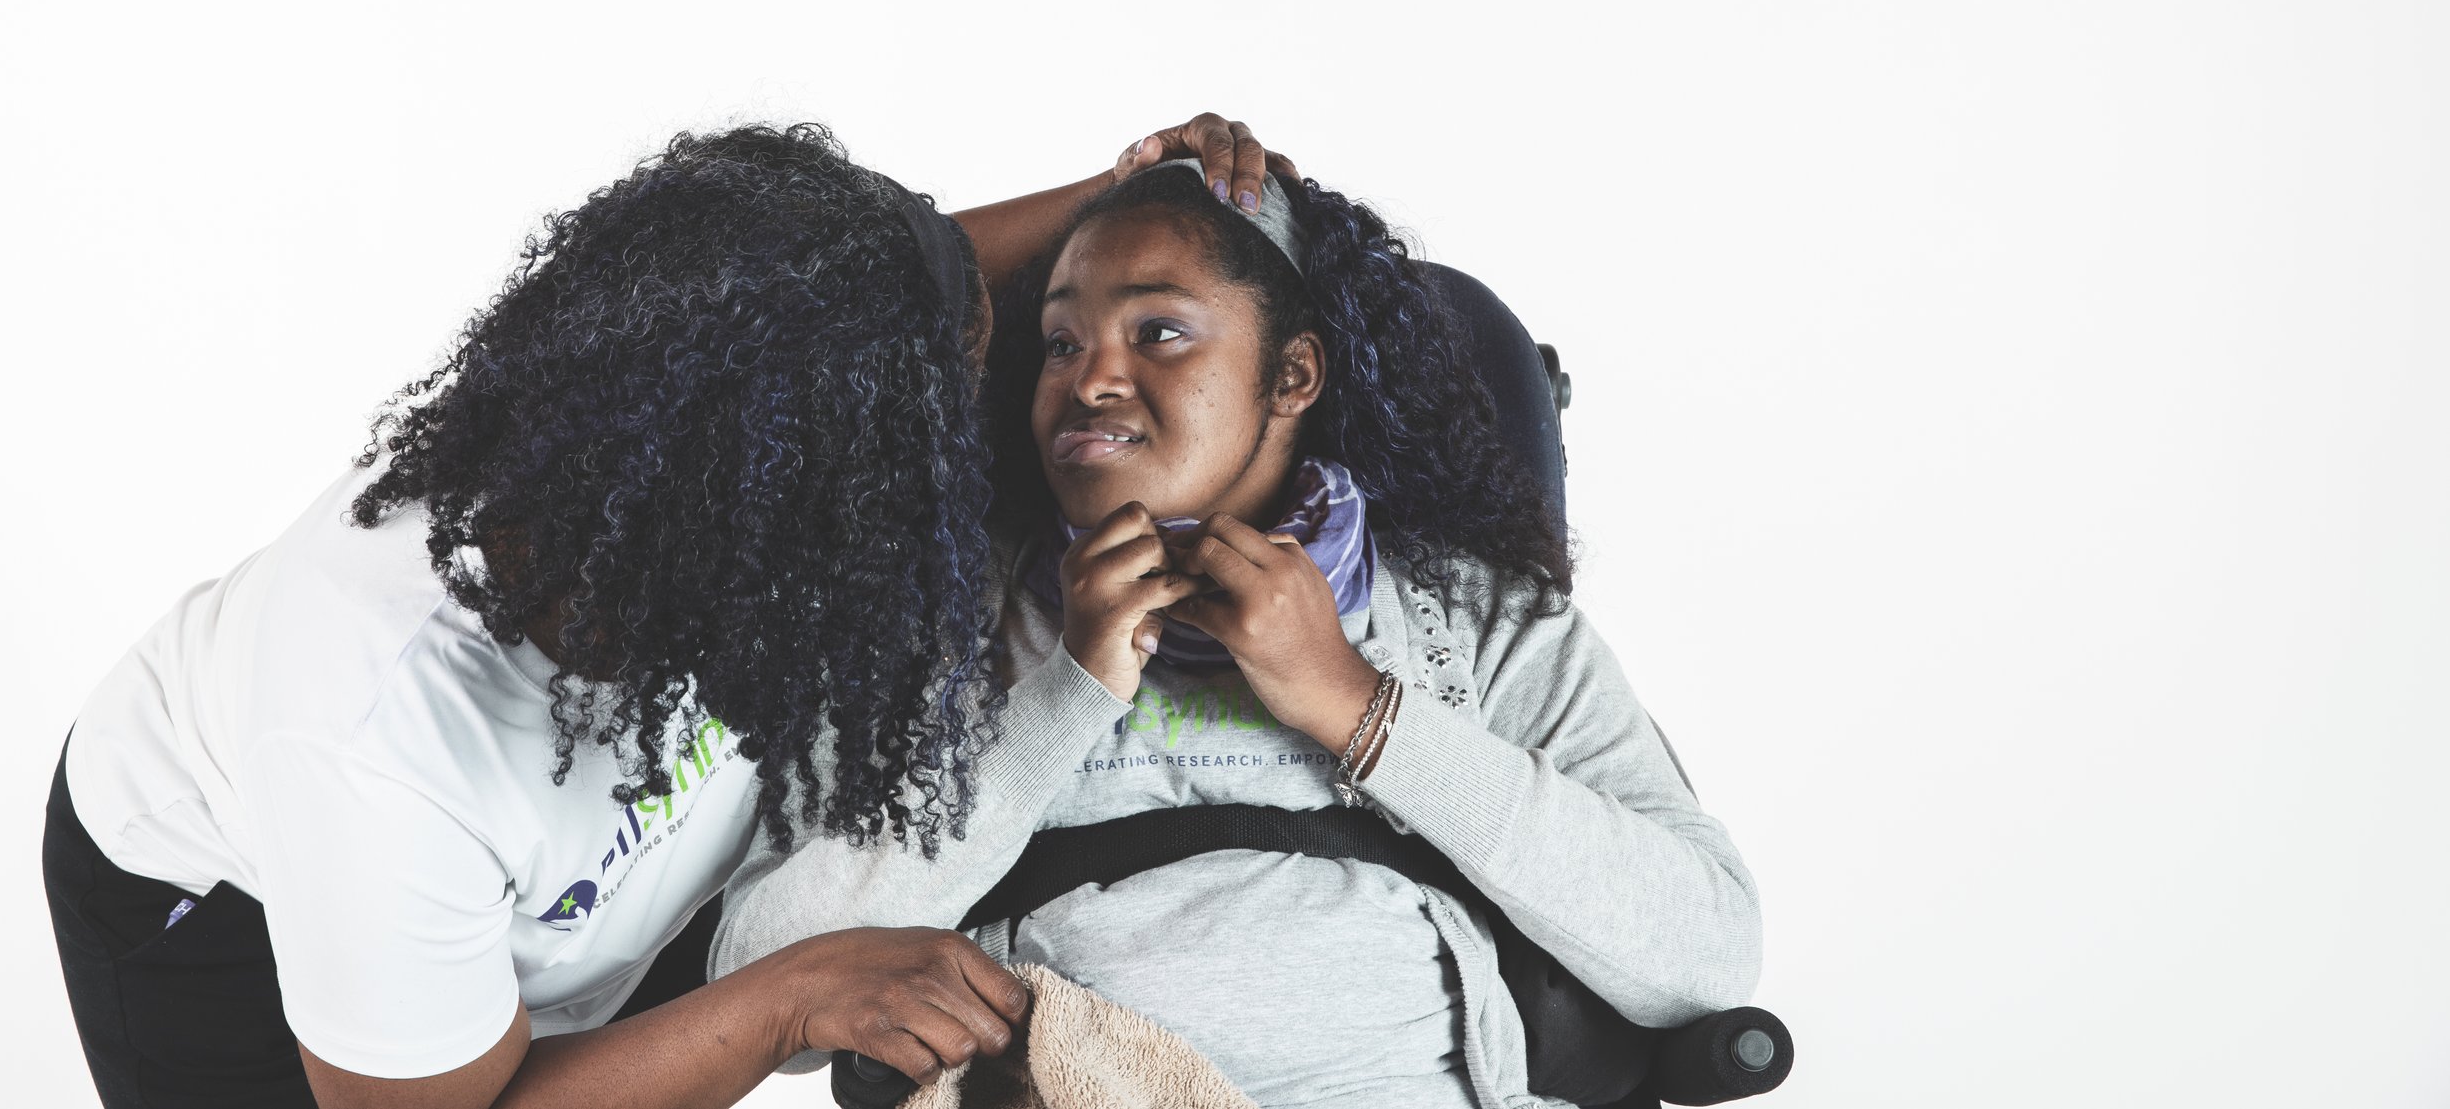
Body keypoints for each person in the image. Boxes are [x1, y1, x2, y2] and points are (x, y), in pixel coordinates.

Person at [44, 113, 1284, 1109]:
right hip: (230, 933)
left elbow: (876, 293)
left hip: (553, 888)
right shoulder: (380, 736)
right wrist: (784, 1003)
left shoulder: (704, 390)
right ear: (768, 515)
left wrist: (1125, 190)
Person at [711, 161, 1762, 1109]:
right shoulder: (945, 618)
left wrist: (1355, 706)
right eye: (1060, 342)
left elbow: (1706, 953)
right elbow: (767, 985)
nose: (1090, 379)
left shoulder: (1472, 619)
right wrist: (1068, 691)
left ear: (1293, 376)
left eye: (1157, 332)